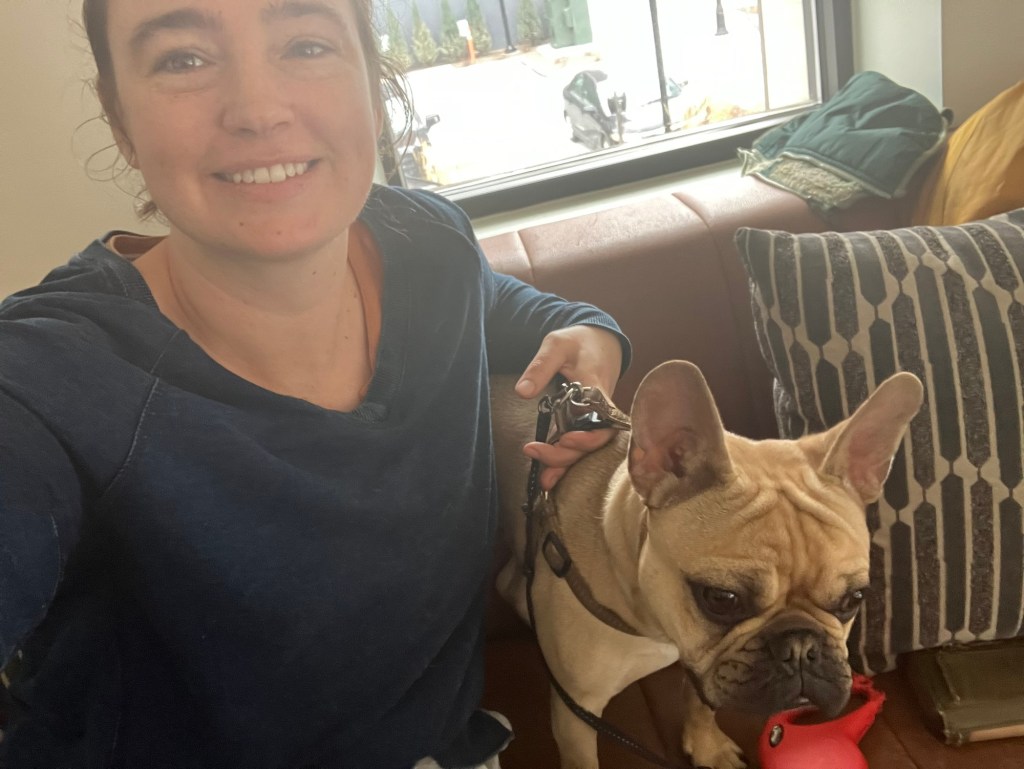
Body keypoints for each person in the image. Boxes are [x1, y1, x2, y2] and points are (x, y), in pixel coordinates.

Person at [0, 0, 630, 767]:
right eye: (183, 58)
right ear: (120, 117)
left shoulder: (431, 248)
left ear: (372, 80)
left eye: (305, 44)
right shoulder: (47, 375)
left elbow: (506, 306)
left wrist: (592, 332)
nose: (258, 109)